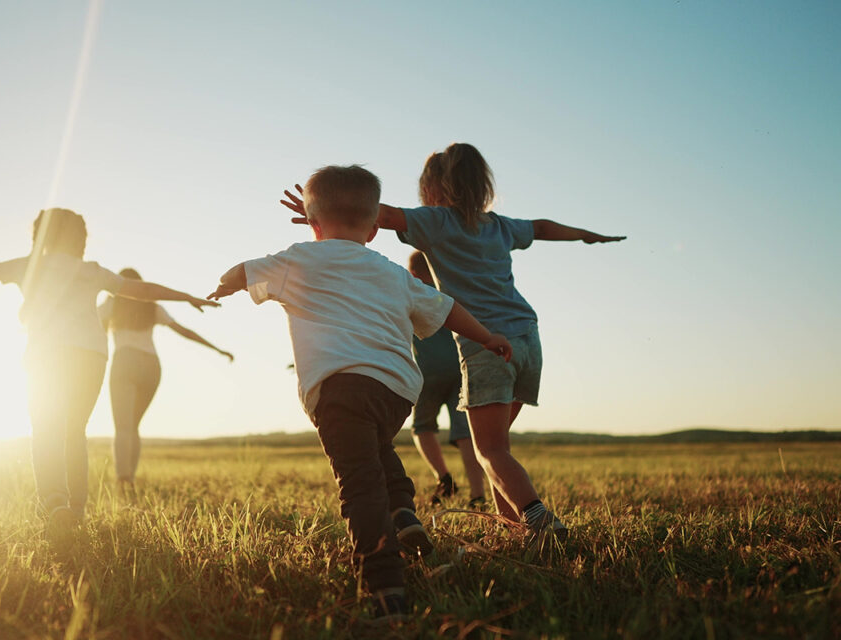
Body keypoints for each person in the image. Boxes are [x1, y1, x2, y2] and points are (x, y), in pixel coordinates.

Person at [210, 165, 511, 623]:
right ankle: (405, 514)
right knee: (376, 451)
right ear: (373, 229)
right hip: (395, 392)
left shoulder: (296, 259)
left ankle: (385, 586)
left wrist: (223, 286)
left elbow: (243, 271)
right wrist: (487, 337)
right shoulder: (391, 272)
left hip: (338, 389)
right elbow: (446, 309)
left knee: (359, 483)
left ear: (312, 224)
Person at [282, 145, 624, 541]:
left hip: (487, 345)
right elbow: (543, 227)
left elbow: (379, 213)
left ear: (433, 188)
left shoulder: (437, 222)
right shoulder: (498, 225)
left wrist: (319, 212)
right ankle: (511, 530)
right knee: (499, 446)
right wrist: (585, 236)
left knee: (489, 451)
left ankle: (538, 519)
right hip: (528, 339)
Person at [0, 208, 217, 534]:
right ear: (80, 240)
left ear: (41, 234)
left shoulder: (29, 266)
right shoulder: (92, 271)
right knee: (74, 432)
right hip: (91, 356)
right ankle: (77, 510)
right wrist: (186, 296)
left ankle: (56, 504)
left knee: (45, 428)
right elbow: (141, 291)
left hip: (47, 355)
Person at [98, 268, 234, 494]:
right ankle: (129, 479)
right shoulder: (152, 307)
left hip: (125, 361)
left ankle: (124, 481)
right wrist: (218, 350)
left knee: (123, 427)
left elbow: (89, 327)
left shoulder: (111, 306)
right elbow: (184, 331)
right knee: (133, 427)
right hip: (151, 366)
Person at [406, 251, 486, 508]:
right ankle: (477, 494)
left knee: (422, 427)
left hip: (427, 373)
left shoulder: (411, 294)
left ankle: (444, 477)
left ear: (414, 273)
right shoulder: (451, 291)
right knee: (466, 434)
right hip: (460, 370)